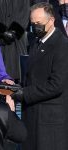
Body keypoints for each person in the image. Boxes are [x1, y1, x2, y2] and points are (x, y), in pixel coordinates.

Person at [11, 2, 68, 150]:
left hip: (50, 124)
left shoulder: (62, 45)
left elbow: (56, 85)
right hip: (32, 118)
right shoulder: (35, 42)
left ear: (51, 20)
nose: (36, 26)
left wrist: (24, 93)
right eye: (33, 23)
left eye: (39, 23)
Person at [0, 0, 30, 82]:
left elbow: (24, 13)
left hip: (16, 42)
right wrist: (2, 32)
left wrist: (13, 32)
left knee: (16, 76)